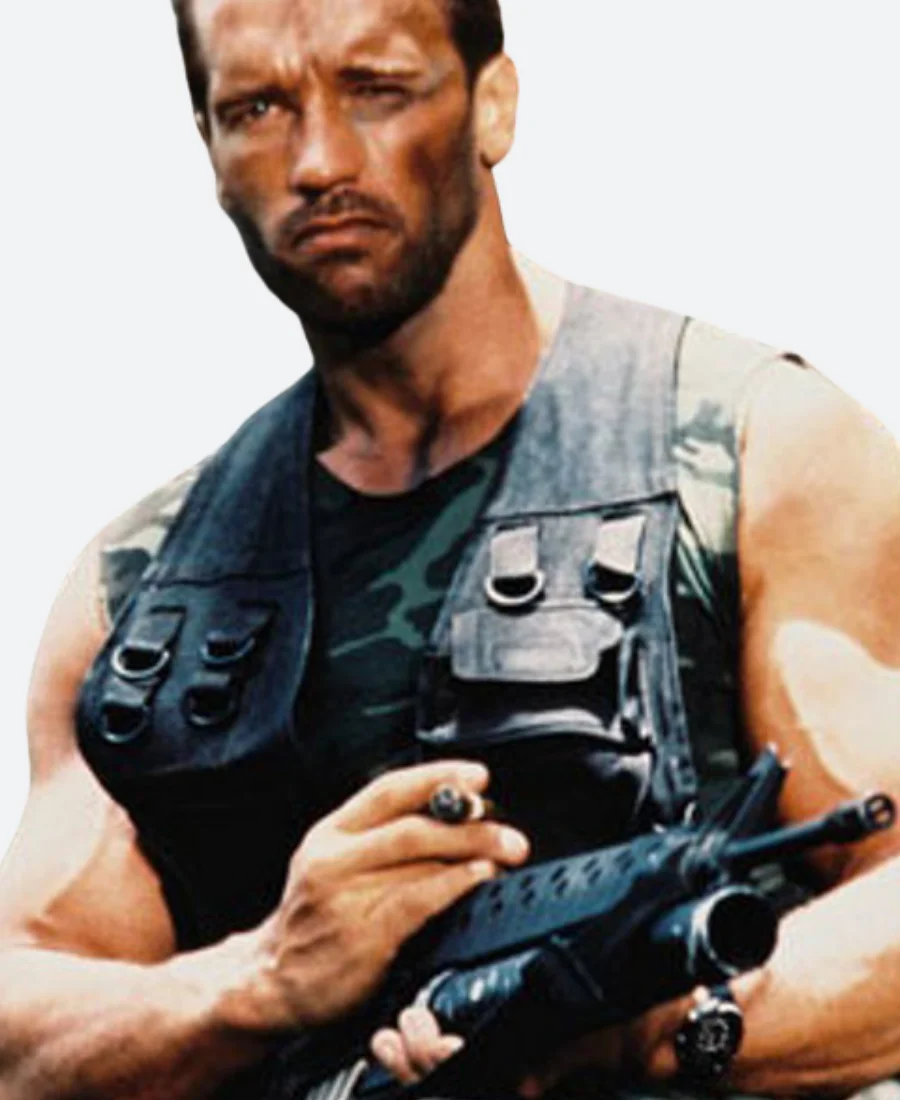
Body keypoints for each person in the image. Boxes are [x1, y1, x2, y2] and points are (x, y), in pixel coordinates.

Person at [1, 1, 899, 1099]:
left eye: (375, 88)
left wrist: (648, 1034)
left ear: (493, 104)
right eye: (259, 108)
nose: (319, 162)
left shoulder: (751, 454)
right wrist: (262, 980)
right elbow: (21, 1025)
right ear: (210, 151)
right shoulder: (142, 594)